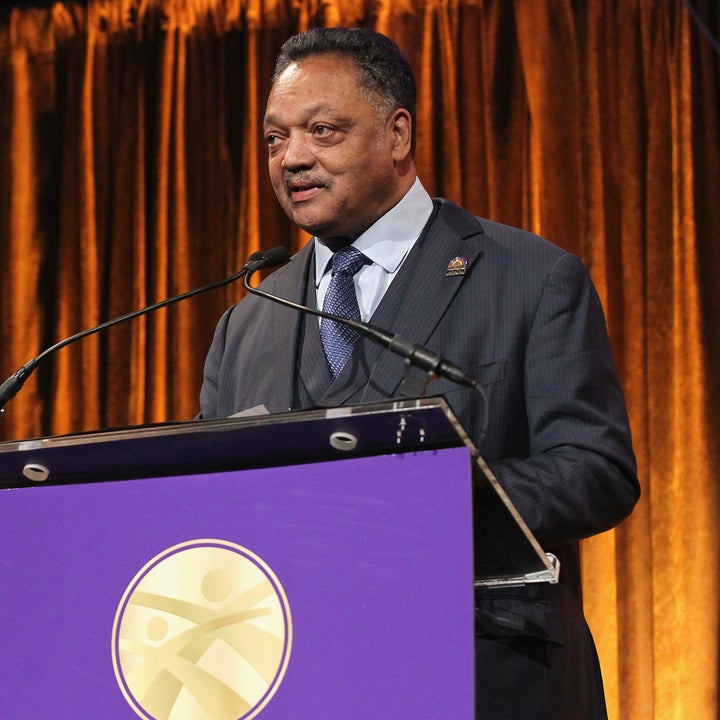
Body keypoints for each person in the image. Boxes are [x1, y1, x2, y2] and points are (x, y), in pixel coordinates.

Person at [198, 26, 640, 719]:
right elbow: (210, 502)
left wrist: (427, 504)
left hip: (483, 674)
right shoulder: (249, 321)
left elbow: (596, 470)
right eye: (276, 138)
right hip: (301, 680)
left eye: (322, 130)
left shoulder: (530, 278)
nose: (293, 157)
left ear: (398, 134)